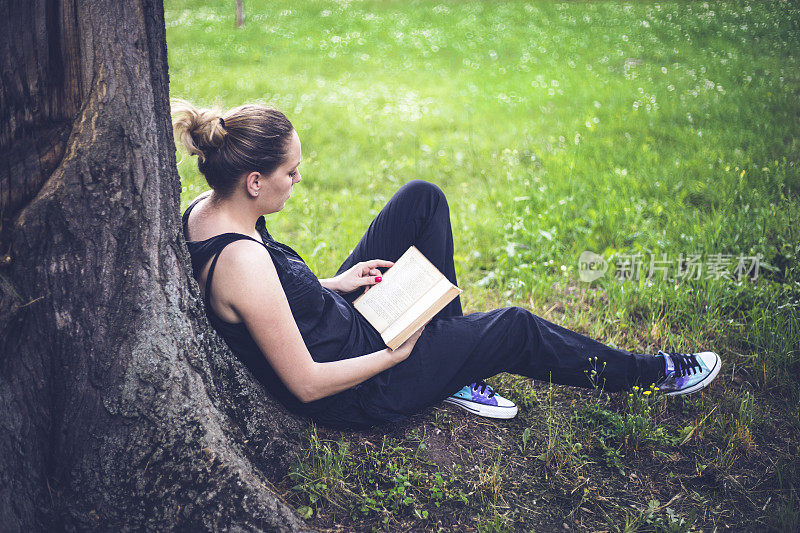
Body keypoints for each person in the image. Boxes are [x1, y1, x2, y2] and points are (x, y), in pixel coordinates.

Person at [173, 100, 721, 430]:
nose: (297, 181)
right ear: (254, 181)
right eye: (290, 173)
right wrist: (395, 356)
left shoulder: (209, 211)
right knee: (514, 327)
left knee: (421, 199)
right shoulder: (239, 262)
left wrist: (333, 284)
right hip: (360, 385)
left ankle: (452, 367)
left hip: (337, 322)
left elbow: (269, 298)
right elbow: (309, 384)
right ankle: (653, 375)